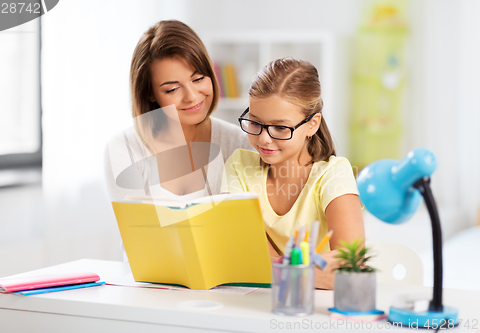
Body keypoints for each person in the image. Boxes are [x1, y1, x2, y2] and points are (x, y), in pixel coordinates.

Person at [222, 58, 365, 289]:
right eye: (255, 123)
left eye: (280, 127)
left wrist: (270, 268)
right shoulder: (239, 166)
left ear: (312, 124)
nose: (264, 138)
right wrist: (308, 273)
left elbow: (351, 268)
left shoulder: (333, 174)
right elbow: (240, 255)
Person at [104, 20, 253, 204]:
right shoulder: (124, 148)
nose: (191, 97)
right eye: (173, 89)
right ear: (150, 93)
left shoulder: (241, 144)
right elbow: (136, 229)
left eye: (198, 79)